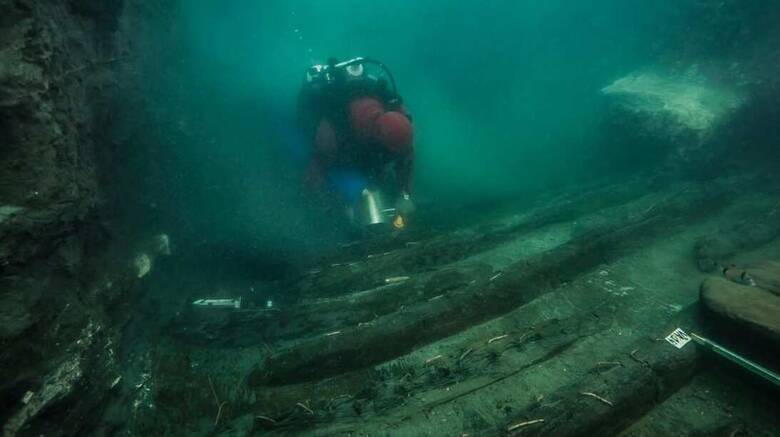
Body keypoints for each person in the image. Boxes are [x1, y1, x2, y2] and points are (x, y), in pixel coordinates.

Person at [297, 57, 415, 229]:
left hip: (363, 148)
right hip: (343, 151)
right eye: (391, 152)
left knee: (374, 174)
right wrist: (327, 208)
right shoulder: (334, 130)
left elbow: (406, 155)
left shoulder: (397, 122)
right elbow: (315, 172)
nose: (395, 155)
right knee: (347, 177)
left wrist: (405, 195)